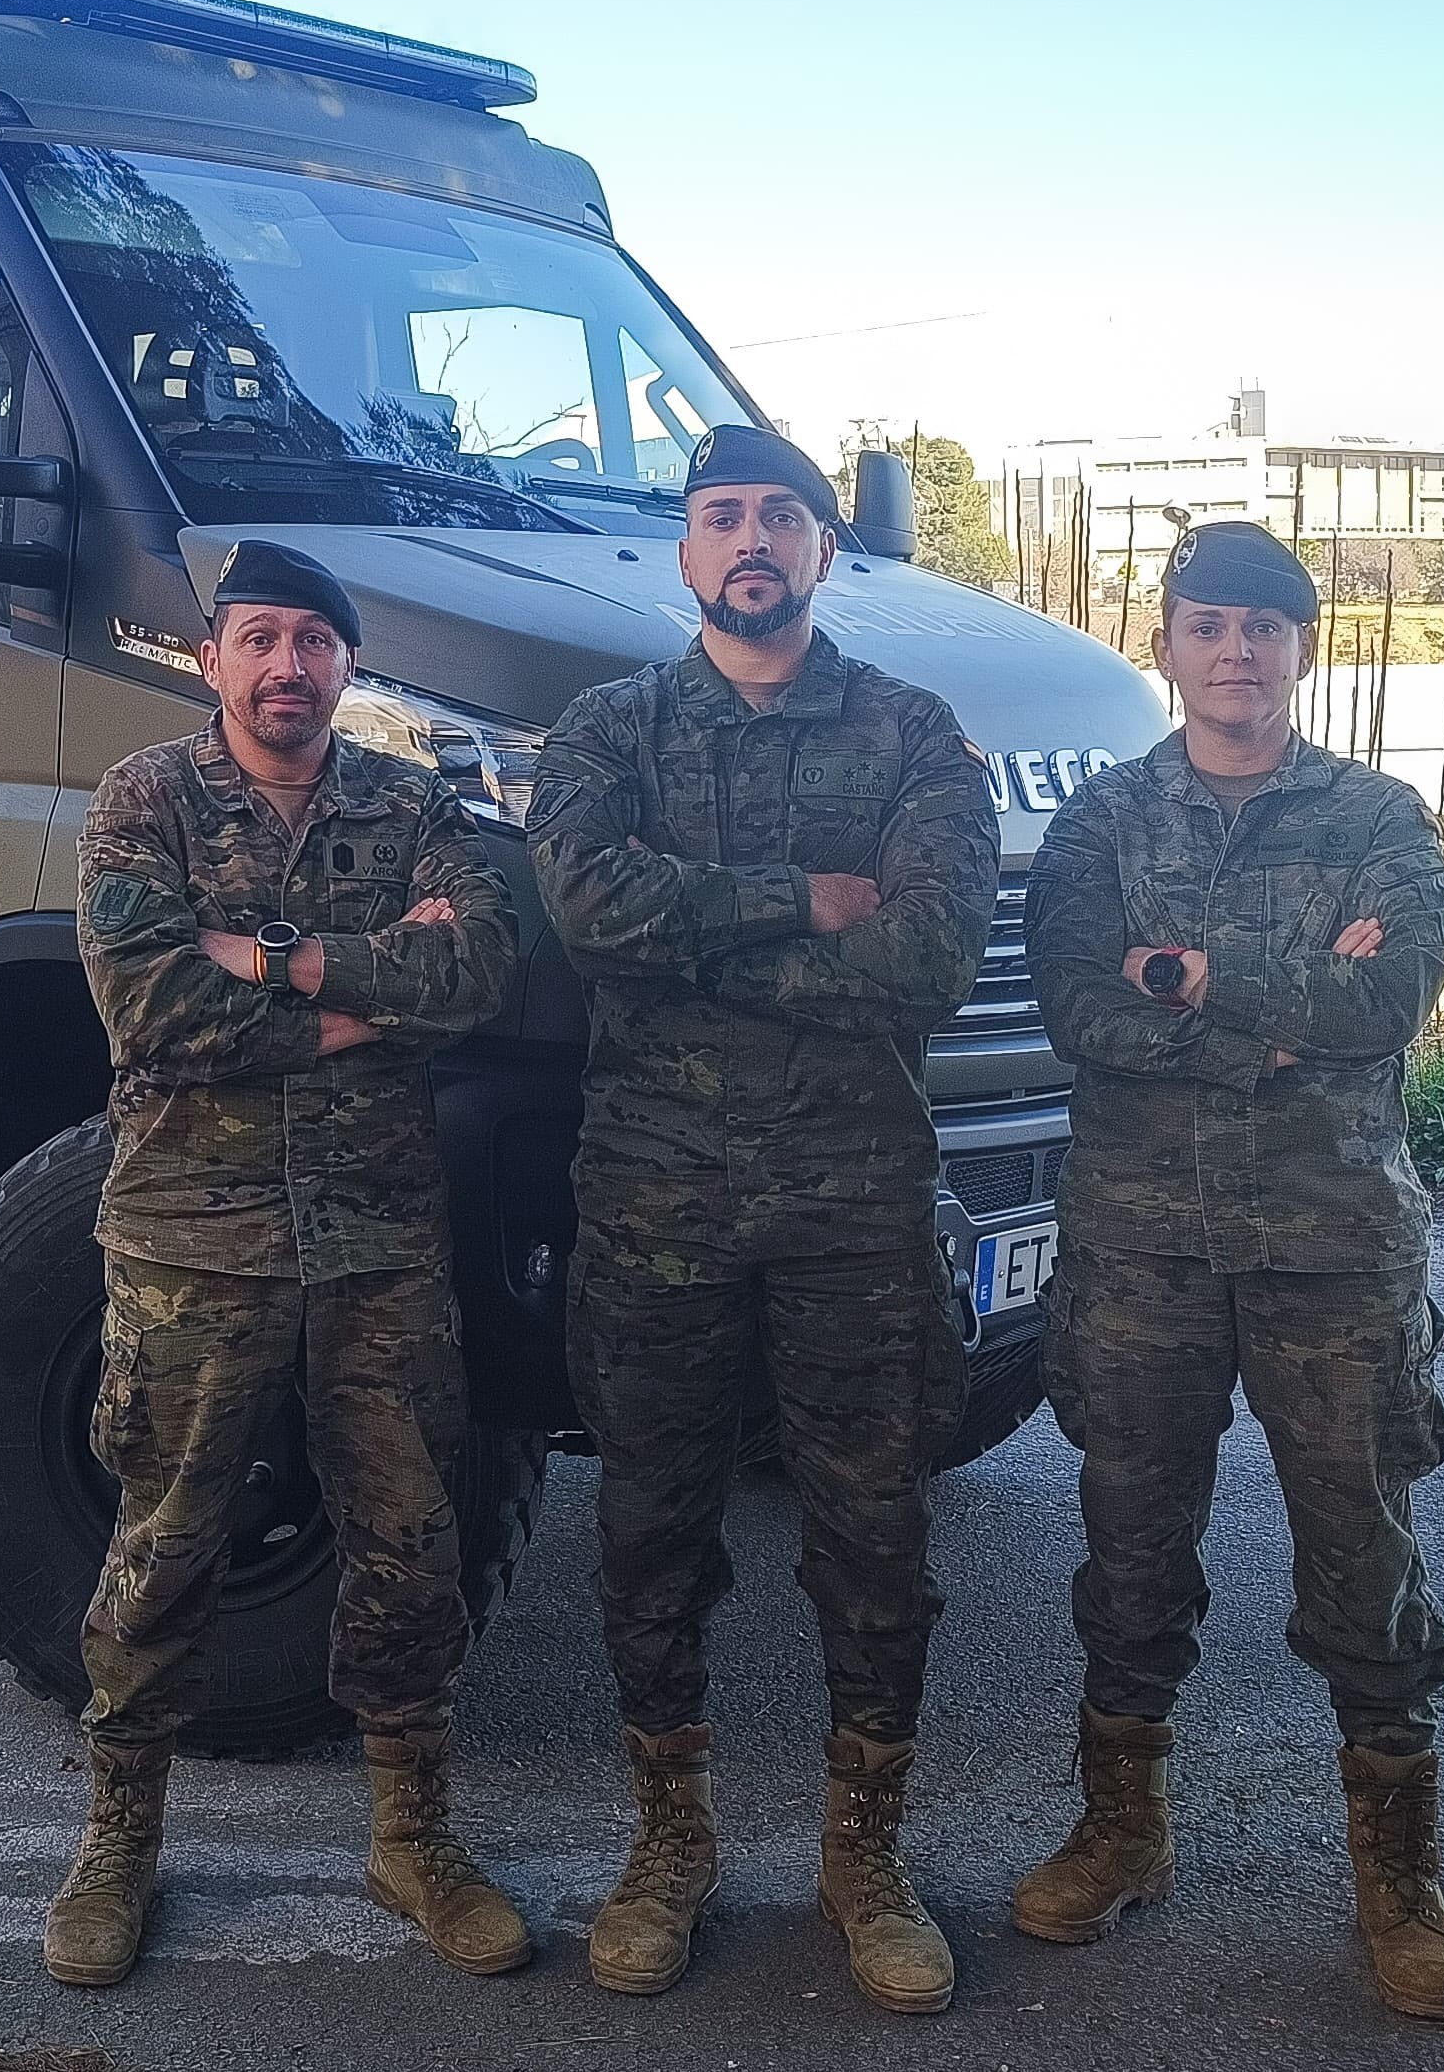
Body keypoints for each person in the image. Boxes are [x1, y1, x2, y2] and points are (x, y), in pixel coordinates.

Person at [526, 426, 998, 2014]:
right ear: (683, 551)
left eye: (780, 518)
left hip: (854, 1199)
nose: (751, 542)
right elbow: (591, 913)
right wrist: (805, 894)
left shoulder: (917, 730)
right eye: (721, 517)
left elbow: (929, 957)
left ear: (819, 548)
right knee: (653, 1524)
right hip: (655, 1196)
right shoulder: (606, 731)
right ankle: (667, 1845)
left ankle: (865, 1858)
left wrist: (695, 932)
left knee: (874, 1534)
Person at [44, 538, 527, 1989]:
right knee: (165, 1545)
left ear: (347, 666)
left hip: (377, 1239)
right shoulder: (147, 797)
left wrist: (263, 955)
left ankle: (414, 1839)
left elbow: (482, 970)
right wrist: (363, 986)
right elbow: (142, 1004)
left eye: (314, 643)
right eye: (258, 639)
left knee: (411, 1543)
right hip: (197, 1242)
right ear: (213, 661)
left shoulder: (409, 799)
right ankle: (120, 1844)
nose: (288, 668)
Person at [1016, 518, 1444, 2020]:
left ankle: (1398, 1876)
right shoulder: (1100, 825)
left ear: (1301, 650)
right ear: (1168, 643)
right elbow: (1078, 1003)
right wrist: (1283, 1008)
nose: (1235, 653)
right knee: (1131, 1543)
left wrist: (1198, 972)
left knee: (1363, 1554)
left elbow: (1393, 991)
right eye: (1208, 625)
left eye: (1263, 630)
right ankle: (1120, 1826)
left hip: (1333, 1249)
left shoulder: (1380, 814)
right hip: (1143, 1247)